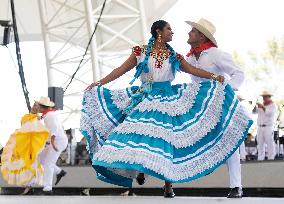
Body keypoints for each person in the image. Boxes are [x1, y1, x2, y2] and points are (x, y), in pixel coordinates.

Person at [80, 20, 252, 198]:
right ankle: (142, 169)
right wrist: (99, 83)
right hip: (145, 97)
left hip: (172, 99)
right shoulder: (142, 51)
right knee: (139, 133)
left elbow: (192, 70)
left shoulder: (178, 56)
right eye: (169, 28)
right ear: (158, 32)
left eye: (191, 31)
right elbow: (121, 69)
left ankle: (170, 185)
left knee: (167, 138)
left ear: (202, 36)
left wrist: (216, 78)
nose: (174, 32)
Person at [1, 103, 49, 195]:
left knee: (29, 164)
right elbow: (23, 127)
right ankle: (29, 187)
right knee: (21, 163)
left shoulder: (36, 119)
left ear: (39, 109)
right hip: (21, 142)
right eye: (34, 105)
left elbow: (35, 132)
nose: (35, 107)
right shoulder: (26, 116)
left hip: (29, 144)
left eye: (37, 107)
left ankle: (30, 187)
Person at [36, 97, 68, 195]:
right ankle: (59, 172)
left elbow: (55, 128)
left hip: (58, 141)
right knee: (40, 159)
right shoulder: (48, 114)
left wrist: (53, 142)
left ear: (42, 107)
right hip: (56, 141)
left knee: (48, 163)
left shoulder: (49, 115)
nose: (36, 107)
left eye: (38, 106)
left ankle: (47, 188)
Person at [253, 91, 277, 160]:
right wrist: (254, 105)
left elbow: (269, 113)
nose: (264, 98)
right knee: (260, 143)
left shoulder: (273, 105)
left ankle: (271, 157)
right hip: (260, 127)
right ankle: (260, 157)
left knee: (269, 142)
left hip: (268, 127)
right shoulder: (262, 105)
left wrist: (262, 107)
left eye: (265, 96)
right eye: (263, 97)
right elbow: (254, 112)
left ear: (269, 97)